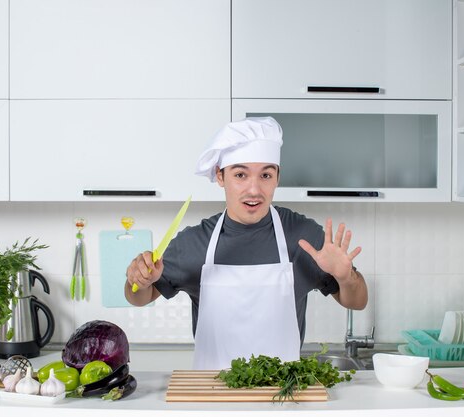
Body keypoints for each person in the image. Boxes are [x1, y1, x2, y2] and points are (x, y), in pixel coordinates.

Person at [125, 116, 368, 370]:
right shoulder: (195, 241)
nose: (254, 190)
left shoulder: (303, 236)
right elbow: (139, 298)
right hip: (212, 395)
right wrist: (139, 280)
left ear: (277, 178)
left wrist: (346, 276)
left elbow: (357, 301)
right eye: (240, 174)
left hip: (282, 398)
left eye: (265, 175)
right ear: (221, 177)